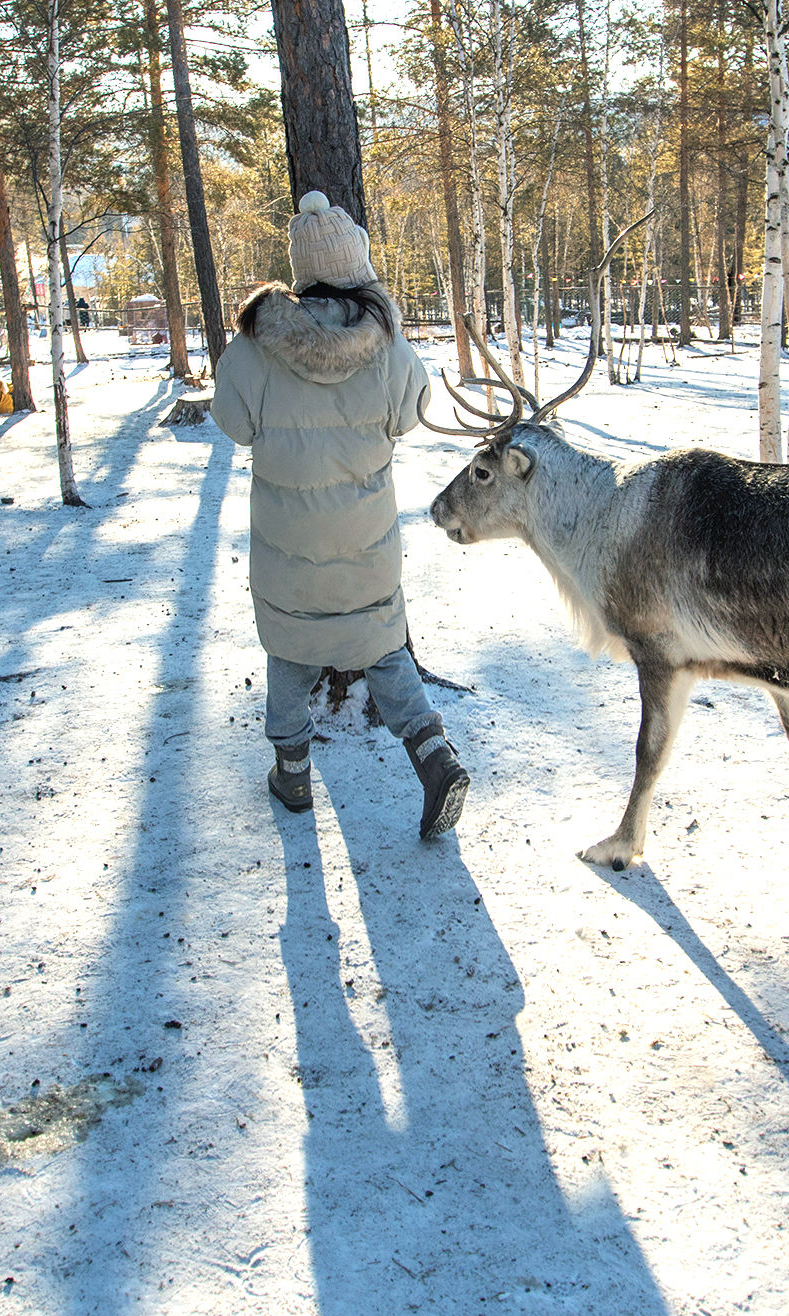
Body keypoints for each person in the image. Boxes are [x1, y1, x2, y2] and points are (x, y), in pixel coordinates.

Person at [210, 191, 467, 838]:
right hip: (367, 549)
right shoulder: (384, 345)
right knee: (383, 650)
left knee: (289, 652)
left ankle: (292, 771)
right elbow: (412, 414)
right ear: (355, 267)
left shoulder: (251, 350)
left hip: (286, 553)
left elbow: (232, 424)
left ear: (301, 270)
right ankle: (434, 756)